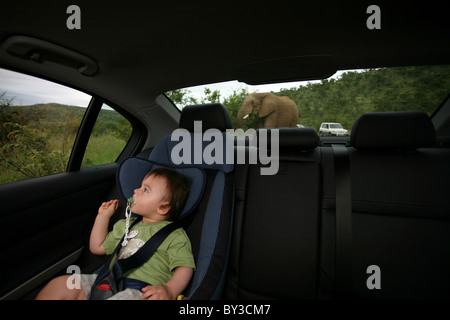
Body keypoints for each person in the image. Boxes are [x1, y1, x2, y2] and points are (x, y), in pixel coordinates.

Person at [36, 167, 195, 300]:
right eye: (140, 186)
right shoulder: (125, 225)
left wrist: (169, 290)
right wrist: (103, 217)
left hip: (141, 291)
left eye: (145, 190)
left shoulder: (175, 235)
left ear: (163, 208)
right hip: (105, 281)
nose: (136, 190)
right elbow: (97, 247)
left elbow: (185, 267)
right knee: (61, 285)